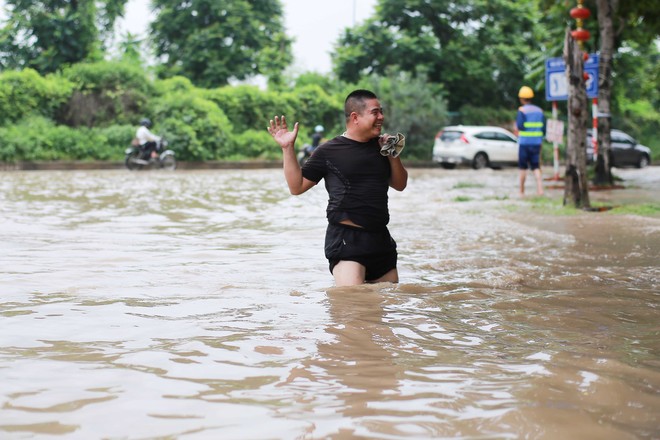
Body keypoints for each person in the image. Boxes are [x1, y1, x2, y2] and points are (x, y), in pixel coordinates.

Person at [267, 89, 408, 287]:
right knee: (352, 304)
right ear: (355, 117)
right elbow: (296, 186)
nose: (381, 117)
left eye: (381, 112)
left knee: (385, 307)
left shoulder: (382, 147)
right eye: (375, 112)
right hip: (347, 239)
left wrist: (393, 154)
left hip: (381, 239)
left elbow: (400, 184)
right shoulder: (328, 151)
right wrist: (287, 148)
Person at [515, 86, 545, 196]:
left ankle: (521, 191)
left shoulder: (521, 110)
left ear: (521, 99)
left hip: (524, 143)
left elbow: (520, 126)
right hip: (537, 142)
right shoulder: (539, 111)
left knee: (523, 167)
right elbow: (544, 129)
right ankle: (540, 190)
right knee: (536, 167)